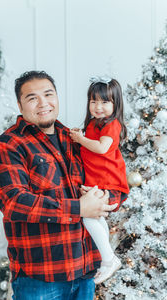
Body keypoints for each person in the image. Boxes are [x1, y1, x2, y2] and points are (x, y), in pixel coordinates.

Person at [0, 71, 120, 300]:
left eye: (48, 94)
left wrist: (108, 198)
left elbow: (107, 172)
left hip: (85, 270)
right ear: (20, 105)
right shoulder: (9, 145)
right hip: (40, 277)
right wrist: (79, 208)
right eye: (32, 98)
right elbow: (13, 202)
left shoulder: (74, 138)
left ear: (57, 98)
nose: (43, 103)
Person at [70, 76, 129, 284]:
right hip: (99, 183)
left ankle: (108, 260)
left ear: (116, 104)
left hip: (110, 185)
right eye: (93, 101)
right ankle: (108, 258)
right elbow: (88, 151)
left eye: (105, 102)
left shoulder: (112, 125)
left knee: (88, 217)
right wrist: (80, 137)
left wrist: (80, 139)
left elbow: (102, 148)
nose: (98, 106)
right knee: (96, 218)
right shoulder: (94, 124)